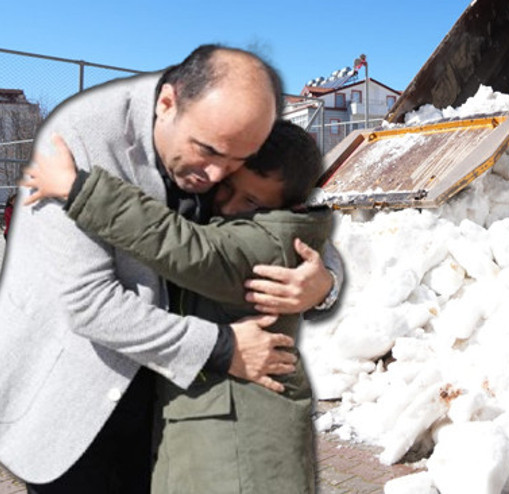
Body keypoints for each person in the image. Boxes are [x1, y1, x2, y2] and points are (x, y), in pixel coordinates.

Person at [0, 45, 339, 492]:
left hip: (169, 403)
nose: (218, 175)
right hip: (77, 400)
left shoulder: (235, 131)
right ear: (167, 104)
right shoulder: (79, 140)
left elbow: (285, 219)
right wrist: (222, 348)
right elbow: (89, 305)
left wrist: (323, 280)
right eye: (208, 151)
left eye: (235, 163)